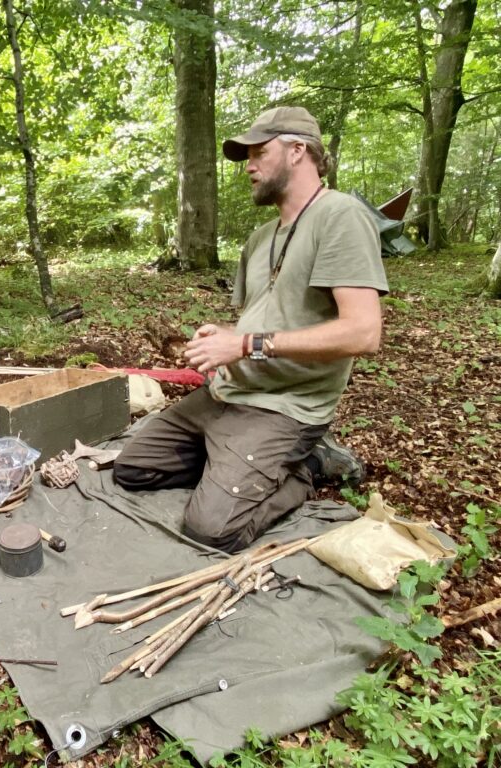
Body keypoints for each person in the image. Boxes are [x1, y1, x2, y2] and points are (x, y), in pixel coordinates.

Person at [113, 106, 388, 553]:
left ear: (298, 150)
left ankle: (306, 464)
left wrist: (242, 344)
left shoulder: (340, 217)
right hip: (226, 395)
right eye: (247, 156)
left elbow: (363, 333)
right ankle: (237, 465)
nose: (250, 166)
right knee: (133, 470)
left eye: (259, 152)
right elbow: (261, 319)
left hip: (284, 408)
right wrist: (221, 337)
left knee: (211, 530)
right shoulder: (260, 238)